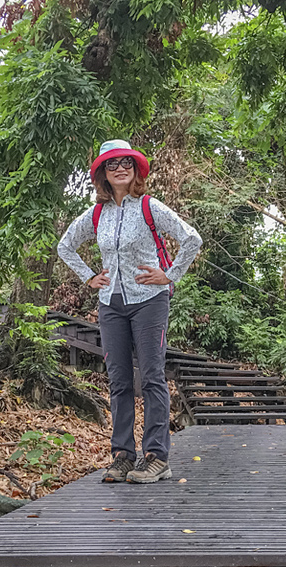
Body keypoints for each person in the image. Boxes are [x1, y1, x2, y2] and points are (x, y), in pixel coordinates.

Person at [57, 140, 202, 483]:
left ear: (135, 170)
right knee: (119, 381)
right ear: (103, 175)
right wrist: (89, 277)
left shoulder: (150, 207)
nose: (120, 168)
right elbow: (65, 245)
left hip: (149, 301)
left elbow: (191, 238)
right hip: (111, 303)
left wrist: (170, 275)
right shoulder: (97, 215)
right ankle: (122, 455)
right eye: (112, 164)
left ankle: (156, 457)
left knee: (152, 376)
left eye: (126, 162)